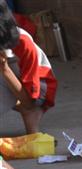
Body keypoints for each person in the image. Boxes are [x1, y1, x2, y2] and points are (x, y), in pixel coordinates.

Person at [0, 4, 56, 134]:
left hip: (38, 90)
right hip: (7, 76)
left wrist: (5, 69)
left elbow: (30, 101)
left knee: (30, 108)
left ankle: (34, 114)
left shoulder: (24, 44)